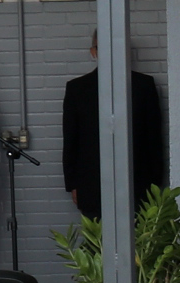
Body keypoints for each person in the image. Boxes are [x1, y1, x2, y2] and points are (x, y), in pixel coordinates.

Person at [63, 34, 168, 221]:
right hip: (91, 183)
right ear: (93, 52)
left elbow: (153, 137)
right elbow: (71, 139)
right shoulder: (77, 89)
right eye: (103, 47)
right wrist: (73, 184)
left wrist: (155, 182)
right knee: (98, 245)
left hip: (138, 182)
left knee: (141, 243)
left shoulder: (143, 86)